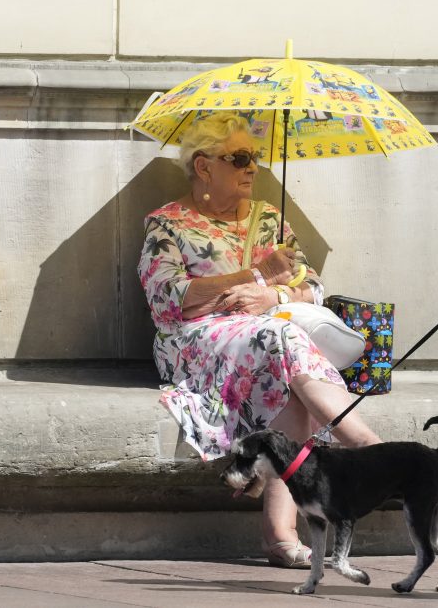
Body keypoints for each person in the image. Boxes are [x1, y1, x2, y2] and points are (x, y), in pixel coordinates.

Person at [138, 111, 381, 568]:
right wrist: (257, 272)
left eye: (256, 158)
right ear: (204, 166)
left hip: (267, 339)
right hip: (194, 342)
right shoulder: (167, 224)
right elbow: (168, 298)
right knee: (280, 339)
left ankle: (280, 536)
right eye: (241, 157)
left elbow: (313, 288)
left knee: (285, 377)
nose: (253, 168)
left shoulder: (270, 220)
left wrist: (272, 292)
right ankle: (363, 444)